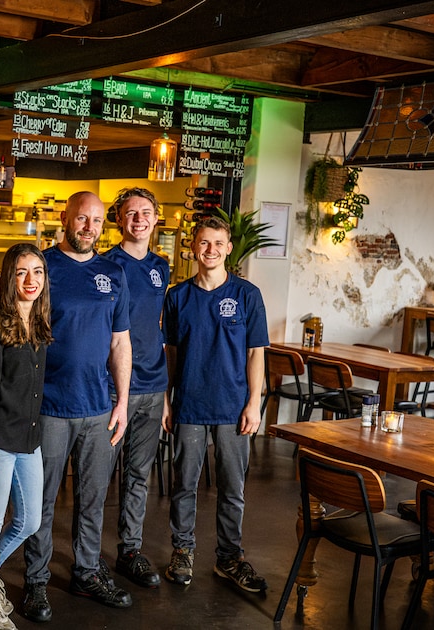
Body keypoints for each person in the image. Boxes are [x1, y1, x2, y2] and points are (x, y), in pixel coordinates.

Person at [22, 191, 133, 622]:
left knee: (93, 498)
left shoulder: (114, 273)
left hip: (97, 408)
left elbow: (119, 342)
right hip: (48, 405)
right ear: (65, 218)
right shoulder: (43, 267)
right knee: (41, 501)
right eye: (81, 218)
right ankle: (35, 581)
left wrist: (121, 401)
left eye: (97, 220)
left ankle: (86, 572)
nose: (89, 227)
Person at [162, 215, 269, 595]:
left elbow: (256, 354)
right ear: (193, 246)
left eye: (217, 243)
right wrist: (166, 400)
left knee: (232, 487)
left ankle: (229, 557)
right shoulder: (177, 296)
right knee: (184, 484)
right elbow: (171, 353)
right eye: (203, 243)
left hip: (233, 406)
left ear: (228, 248)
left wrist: (254, 404)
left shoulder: (247, 295)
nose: (210, 250)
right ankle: (183, 551)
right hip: (189, 404)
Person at [0, 243, 52, 630]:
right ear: (9, 277)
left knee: (30, 521)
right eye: (21, 272)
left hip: (29, 442)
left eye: (37, 271)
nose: (30, 280)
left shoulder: (39, 322)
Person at [102, 188, 169, 589]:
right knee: (100, 475)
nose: (139, 219)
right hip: (113, 389)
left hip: (154, 386)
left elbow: (156, 328)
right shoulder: (106, 264)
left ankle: (129, 550)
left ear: (156, 218)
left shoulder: (161, 267)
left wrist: (165, 398)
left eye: (146, 212)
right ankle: (88, 555)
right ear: (119, 219)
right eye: (131, 213)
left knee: (138, 475)